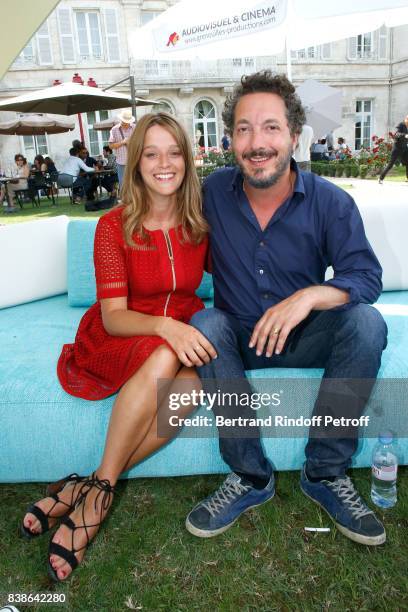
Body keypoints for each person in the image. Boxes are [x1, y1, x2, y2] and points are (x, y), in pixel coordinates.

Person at [185, 71, 388, 547]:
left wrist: (311, 295)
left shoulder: (331, 202)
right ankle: (250, 478)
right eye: (243, 128)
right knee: (205, 323)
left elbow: (366, 277)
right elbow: (159, 219)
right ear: (230, 139)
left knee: (366, 322)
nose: (257, 143)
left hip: (306, 336)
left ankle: (325, 472)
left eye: (271, 127)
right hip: (239, 340)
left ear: (295, 136)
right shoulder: (211, 193)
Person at [21, 112, 216, 582]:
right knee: (169, 353)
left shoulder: (200, 225)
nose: (164, 163)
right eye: (152, 153)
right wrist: (168, 329)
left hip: (176, 329)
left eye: (173, 153)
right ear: (137, 163)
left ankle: (82, 484)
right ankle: (102, 495)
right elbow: (113, 314)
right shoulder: (114, 225)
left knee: (189, 392)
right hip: (120, 333)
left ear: (187, 162)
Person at [108, 109, 136, 187]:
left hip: (133, 161)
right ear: (121, 119)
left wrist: (131, 142)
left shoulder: (135, 128)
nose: (126, 123)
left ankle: (135, 199)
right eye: (124, 121)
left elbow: (140, 143)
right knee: (123, 185)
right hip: (121, 162)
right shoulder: (114, 129)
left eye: (127, 121)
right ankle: (125, 199)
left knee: (135, 184)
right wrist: (122, 142)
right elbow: (110, 146)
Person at [379, 115, 408, 184]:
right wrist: (404, 135)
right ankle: (381, 178)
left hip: (404, 148)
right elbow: (396, 134)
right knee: (390, 164)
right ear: (406, 119)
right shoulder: (401, 125)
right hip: (397, 148)